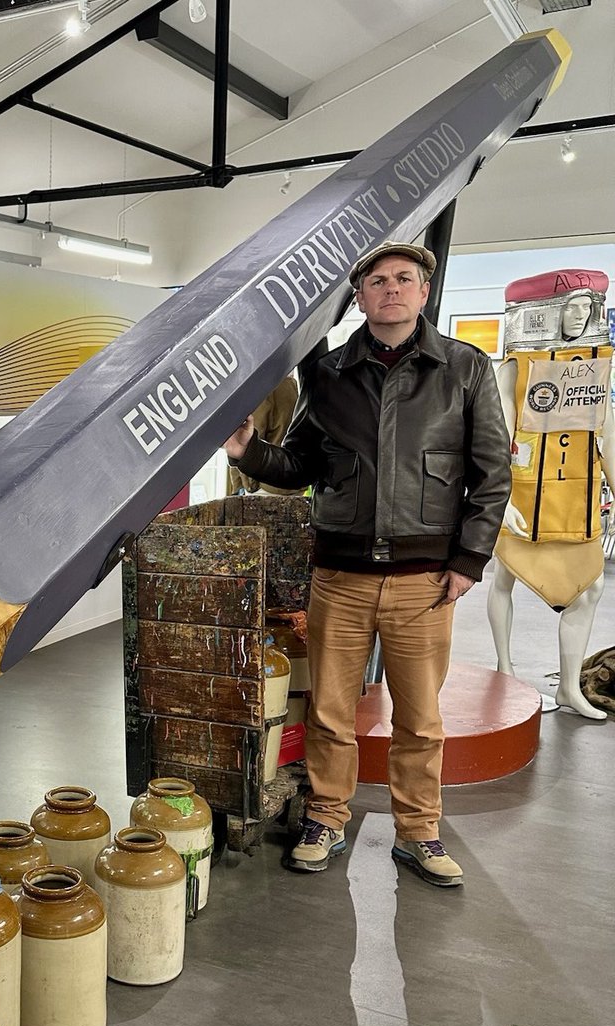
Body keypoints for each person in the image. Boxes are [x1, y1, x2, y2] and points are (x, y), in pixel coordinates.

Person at [223, 241, 511, 888]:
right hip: (340, 580)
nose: (391, 289)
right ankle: (326, 818)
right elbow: (299, 466)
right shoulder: (326, 375)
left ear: (424, 292)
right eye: (376, 280)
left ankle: (420, 833)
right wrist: (247, 450)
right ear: (359, 297)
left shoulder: (465, 369)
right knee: (329, 710)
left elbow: (493, 474)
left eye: (404, 278)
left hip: (425, 583)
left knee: (420, 718)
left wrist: (469, 559)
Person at [487, 268, 612, 719]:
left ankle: (568, 687)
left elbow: (607, 434)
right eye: (571, 306)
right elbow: (493, 439)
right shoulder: (515, 371)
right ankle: (504, 668)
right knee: (506, 577)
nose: (579, 315)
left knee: (591, 586)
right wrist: (497, 500)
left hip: (575, 500)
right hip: (522, 497)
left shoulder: (594, 369)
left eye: (586, 306)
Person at [225, 372, 301, 495]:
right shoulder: (293, 387)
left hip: (265, 482)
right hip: (291, 479)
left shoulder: (263, 386)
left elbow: (251, 438)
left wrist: (246, 486)